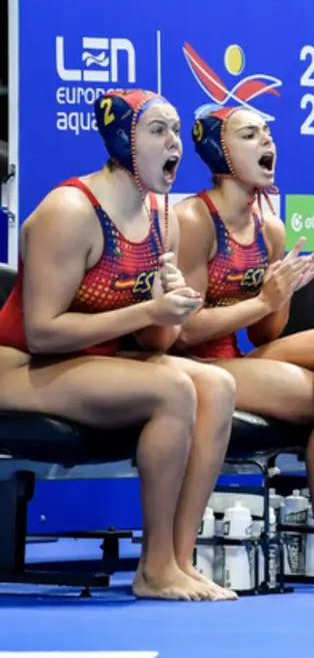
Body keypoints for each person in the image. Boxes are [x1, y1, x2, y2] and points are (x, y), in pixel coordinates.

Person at [0, 89, 239, 601]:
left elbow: (156, 339)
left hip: (89, 363)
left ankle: (178, 557)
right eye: (157, 130)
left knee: (216, 385)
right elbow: (41, 331)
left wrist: (168, 305)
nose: (174, 141)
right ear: (121, 139)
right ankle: (153, 569)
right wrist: (147, 310)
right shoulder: (70, 211)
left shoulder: (163, 217)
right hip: (20, 364)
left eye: (175, 129)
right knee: (173, 388)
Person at [171, 106, 314, 589]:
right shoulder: (194, 219)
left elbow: (264, 335)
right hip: (188, 367)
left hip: (236, 360)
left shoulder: (269, 229)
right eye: (250, 134)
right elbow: (183, 331)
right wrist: (264, 298)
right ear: (219, 151)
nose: (267, 142)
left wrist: (282, 295)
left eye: (269, 132)